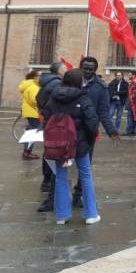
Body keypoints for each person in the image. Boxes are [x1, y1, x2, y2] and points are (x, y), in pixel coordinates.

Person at [41, 69, 101, 225]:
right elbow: (92, 123)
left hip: (59, 145)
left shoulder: (53, 98)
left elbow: (46, 120)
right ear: (79, 82)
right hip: (80, 144)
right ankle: (91, 214)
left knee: (61, 178)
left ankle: (62, 215)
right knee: (86, 176)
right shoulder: (83, 98)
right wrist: (89, 139)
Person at [74, 57, 119, 208]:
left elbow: (104, 112)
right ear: (80, 67)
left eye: (90, 69)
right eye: (84, 68)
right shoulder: (71, 81)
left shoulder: (101, 87)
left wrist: (111, 130)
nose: (87, 71)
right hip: (69, 129)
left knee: (85, 164)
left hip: (88, 131)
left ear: (95, 70)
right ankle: (53, 193)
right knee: (61, 162)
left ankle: (77, 194)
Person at [36, 62, 66, 211]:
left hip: (48, 120)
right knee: (52, 151)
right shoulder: (56, 84)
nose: (66, 70)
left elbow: (38, 98)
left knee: (48, 150)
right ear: (59, 70)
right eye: (64, 68)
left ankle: (46, 181)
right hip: (54, 121)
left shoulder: (47, 82)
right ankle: (48, 182)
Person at [19, 70, 41, 160]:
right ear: (35, 77)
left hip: (30, 111)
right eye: (40, 75)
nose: (41, 77)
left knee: (30, 131)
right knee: (32, 133)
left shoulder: (30, 85)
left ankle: (27, 151)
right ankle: (27, 152)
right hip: (33, 112)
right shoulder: (33, 86)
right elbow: (35, 100)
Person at [123, 70, 136, 137]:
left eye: (130, 75)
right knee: (133, 118)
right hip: (132, 103)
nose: (129, 76)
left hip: (132, 103)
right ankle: (133, 131)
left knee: (130, 117)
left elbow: (133, 94)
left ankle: (129, 131)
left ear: (134, 75)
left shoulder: (134, 82)